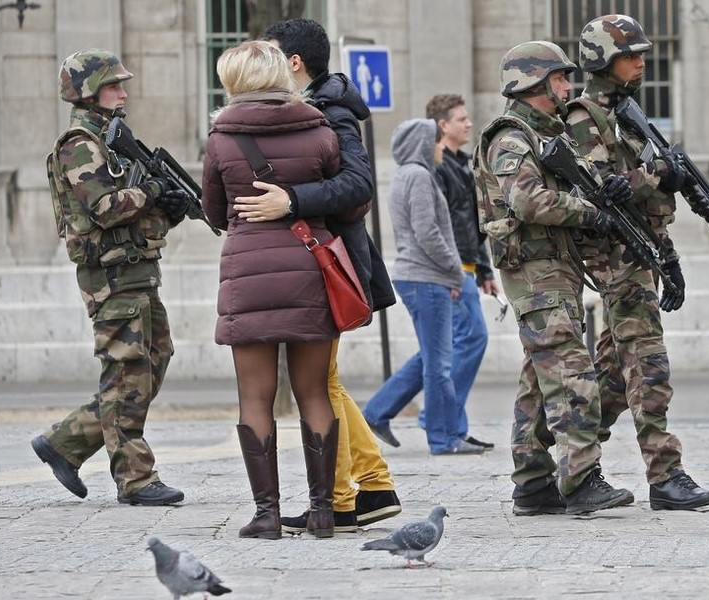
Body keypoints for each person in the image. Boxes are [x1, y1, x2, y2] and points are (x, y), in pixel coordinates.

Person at [231, 18, 402, 534]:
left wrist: (293, 200)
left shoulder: (325, 114)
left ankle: (348, 497)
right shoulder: (321, 107)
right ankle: (372, 485)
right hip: (328, 258)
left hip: (329, 260)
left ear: (295, 64)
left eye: (272, 56)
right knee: (327, 380)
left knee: (322, 383)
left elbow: (358, 186)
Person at [474, 41, 635, 514]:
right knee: (570, 371)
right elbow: (527, 202)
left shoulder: (545, 137)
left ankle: (532, 482)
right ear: (533, 83)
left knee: (538, 377)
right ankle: (582, 480)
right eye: (560, 78)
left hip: (554, 270)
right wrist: (590, 214)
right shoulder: (511, 138)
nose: (569, 86)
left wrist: (607, 192)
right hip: (534, 272)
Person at [565, 14, 709, 511]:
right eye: (630, 54)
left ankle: (562, 462)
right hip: (616, 258)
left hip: (640, 255)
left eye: (642, 53)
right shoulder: (583, 117)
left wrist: (669, 261)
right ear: (603, 60)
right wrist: (658, 172)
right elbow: (605, 190)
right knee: (649, 364)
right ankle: (665, 474)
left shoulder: (629, 113)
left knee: (612, 372)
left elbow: (646, 204)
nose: (641, 61)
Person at [31, 49, 188, 506]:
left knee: (153, 361)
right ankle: (136, 479)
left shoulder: (112, 139)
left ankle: (66, 442)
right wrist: (154, 190)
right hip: (111, 279)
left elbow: (132, 215)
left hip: (136, 273)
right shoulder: (80, 143)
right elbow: (104, 208)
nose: (123, 91)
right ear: (88, 91)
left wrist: (167, 210)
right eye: (114, 85)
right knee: (126, 371)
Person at [201, 40, 343, 539]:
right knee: (314, 392)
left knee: (255, 397)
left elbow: (215, 213)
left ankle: (266, 515)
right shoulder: (320, 130)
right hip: (310, 269)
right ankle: (323, 512)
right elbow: (345, 199)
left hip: (250, 273)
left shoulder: (221, 139)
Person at [362, 94, 497, 451]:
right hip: (430, 276)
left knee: (437, 353)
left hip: (430, 274)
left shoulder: (410, 175)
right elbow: (429, 231)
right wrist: (455, 272)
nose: (440, 146)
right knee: (444, 357)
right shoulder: (420, 177)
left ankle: (381, 412)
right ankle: (442, 434)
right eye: (435, 140)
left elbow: (459, 226)